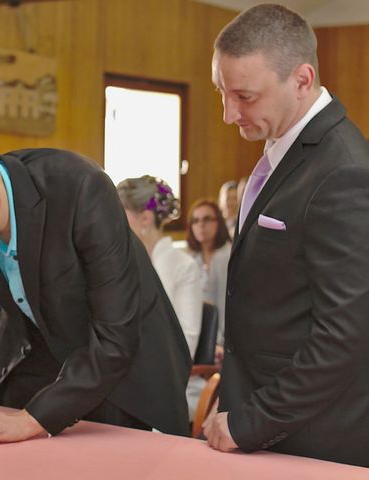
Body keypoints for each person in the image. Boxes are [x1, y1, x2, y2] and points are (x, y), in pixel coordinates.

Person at [0, 136, 191, 445]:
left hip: (126, 365)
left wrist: (31, 420)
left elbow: (116, 337)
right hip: (37, 355)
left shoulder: (80, 187)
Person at [204, 4, 369, 467]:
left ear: (301, 79)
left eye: (245, 96)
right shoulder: (285, 147)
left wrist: (255, 419)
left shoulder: (344, 171)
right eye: (222, 92)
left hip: (312, 438)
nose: (228, 114)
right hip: (258, 416)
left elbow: (347, 333)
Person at [117, 176, 202, 420]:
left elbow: (186, 340)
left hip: (167, 377)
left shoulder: (183, 266)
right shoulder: (122, 261)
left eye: (121, 213)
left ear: (145, 218)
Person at [185, 199, 231, 362]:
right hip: (198, 333)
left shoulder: (228, 256)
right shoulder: (190, 258)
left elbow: (226, 303)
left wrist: (220, 342)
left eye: (207, 219)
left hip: (226, 338)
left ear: (219, 222)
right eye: (195, 221)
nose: (201, 225)